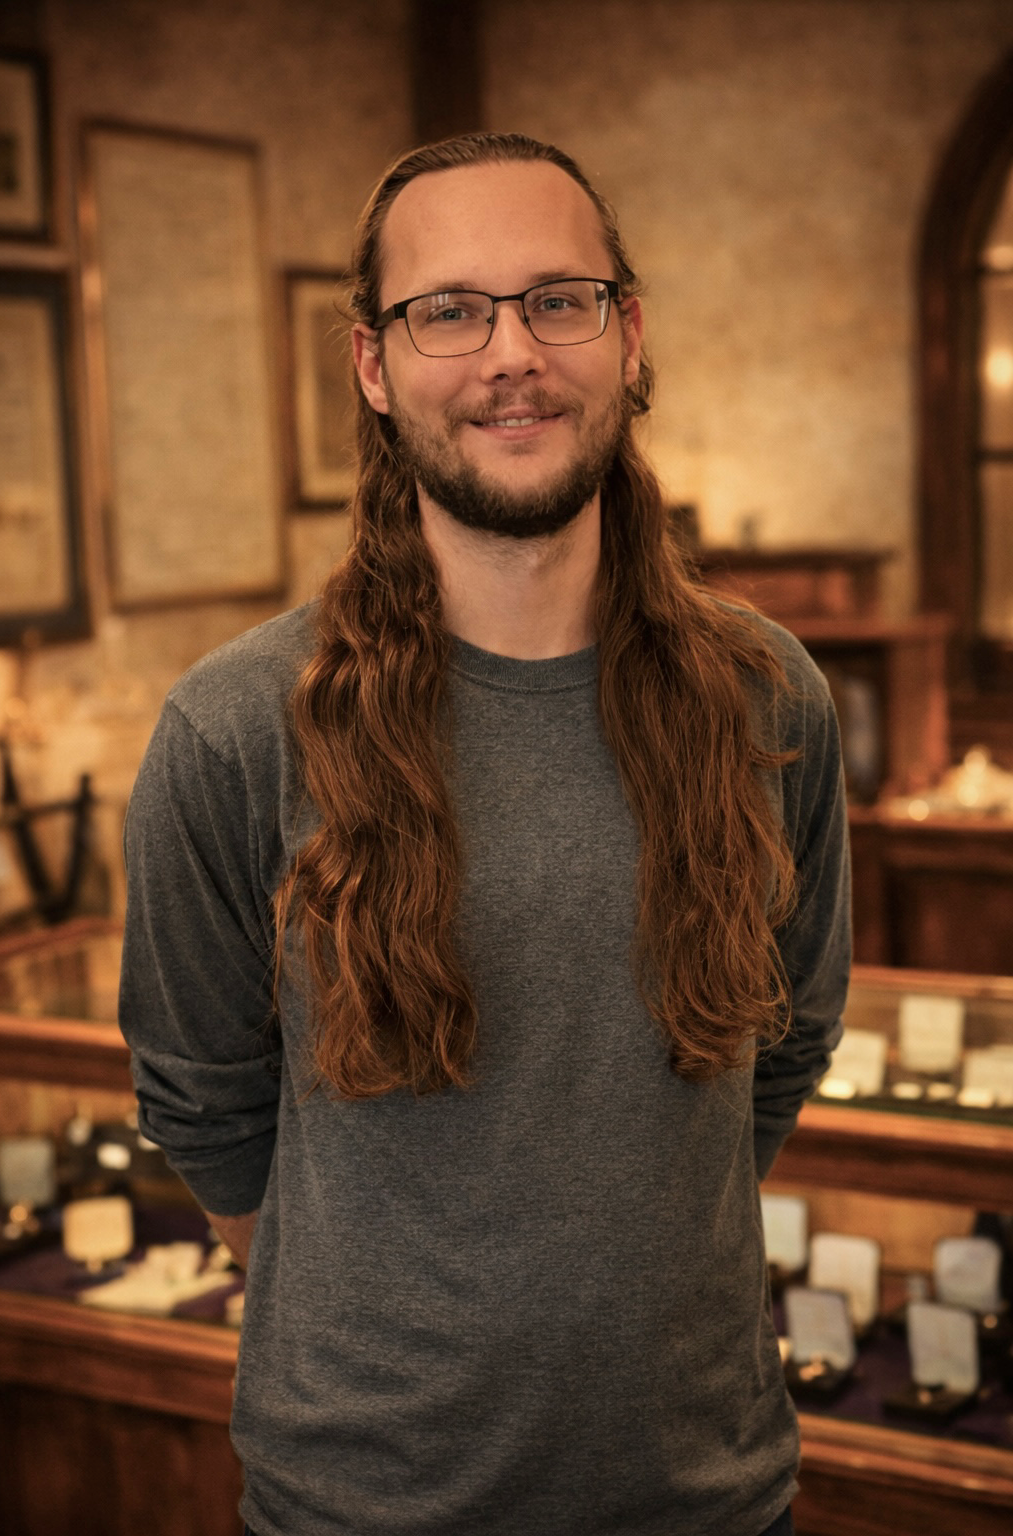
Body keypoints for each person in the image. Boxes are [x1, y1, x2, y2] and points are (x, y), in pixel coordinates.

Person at [119, 132, 850, 1536]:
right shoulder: (233, 728)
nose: (510, 351)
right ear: (376, 368)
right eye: (449, 310)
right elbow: (205, 1110)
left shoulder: (774, 701)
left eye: (557, 298)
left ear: (629, 338)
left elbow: (787, 1046)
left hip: (707, 1497)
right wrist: (394, 1325)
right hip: (362, 1506)